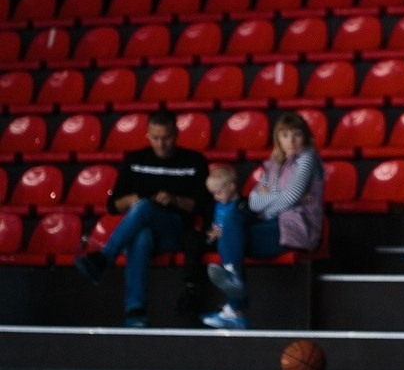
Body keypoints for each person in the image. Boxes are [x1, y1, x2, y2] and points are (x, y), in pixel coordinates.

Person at [74, 111, 210, 328]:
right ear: (147, 135)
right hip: (145, 229)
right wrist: (130, 200)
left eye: (166, 138)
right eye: (155, 138)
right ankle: (135, 311)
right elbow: (113, 205)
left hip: (177, 231)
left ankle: (104, 258)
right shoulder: (134, 160)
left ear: (176, 134)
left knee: (144, 208)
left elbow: (203, 205)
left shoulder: (194, 161)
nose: (161, 144)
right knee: (140, 236)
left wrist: (175, 200)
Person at [201, 111, 324, 331]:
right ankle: (233, 279)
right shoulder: (274, 164)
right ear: (278, 138)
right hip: (273, 224)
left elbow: (290, 196)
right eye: (285, 135)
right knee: (232, 220)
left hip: (296, 227)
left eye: (296, 135)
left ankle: (235, 308)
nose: (291, 141)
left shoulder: (307, 157)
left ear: (305, 137)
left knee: (230, 236)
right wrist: (279, 198)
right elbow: (254, 201)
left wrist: (271, 202)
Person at [204, 165, 241, 243]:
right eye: (213, 194)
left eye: (218, 193)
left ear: (231, 187)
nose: (215, 197)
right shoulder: (214, 205)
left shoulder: (241, 206)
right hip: (215, 239)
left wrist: (223, 233)